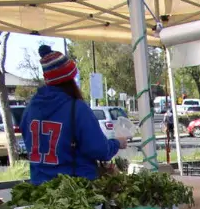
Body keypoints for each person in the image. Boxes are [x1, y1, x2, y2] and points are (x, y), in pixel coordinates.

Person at [21, 45, 125, 185]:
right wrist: (117, 143)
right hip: (75, 189)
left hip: (39, 186)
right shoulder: (77, 108)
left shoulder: (30, 108)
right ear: (70, 79)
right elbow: (99, 149)